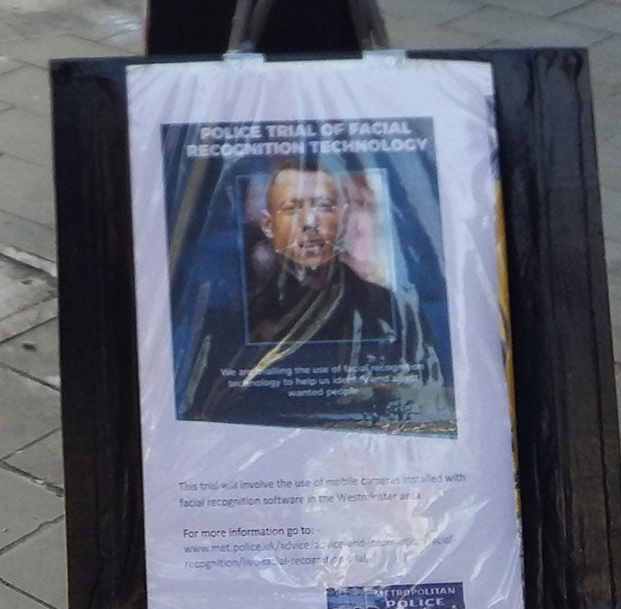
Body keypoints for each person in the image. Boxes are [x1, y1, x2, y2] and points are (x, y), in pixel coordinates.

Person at [180, 160, 451, 432]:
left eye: (323, 206)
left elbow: (423, 407)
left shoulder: (391, 310)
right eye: (293, 207)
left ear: (342, 217)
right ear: (268, 224)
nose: (310, 223)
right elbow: (205, 416)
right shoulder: (229, 320)